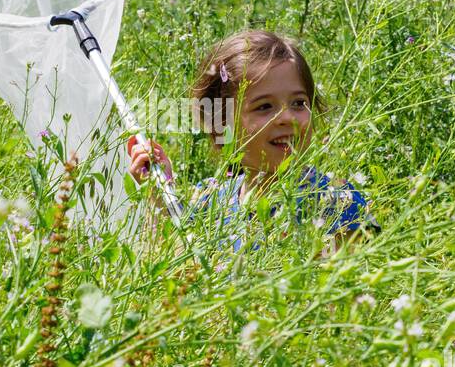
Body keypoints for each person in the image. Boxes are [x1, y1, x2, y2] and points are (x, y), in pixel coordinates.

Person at [127, 29, 378, 253]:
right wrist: (158, 195)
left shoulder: (338, 205)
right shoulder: (208, 204)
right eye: (265, 107)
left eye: (299, 103)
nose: (287, 118)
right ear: (222, 125)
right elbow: (166, 278)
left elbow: (349, 297)